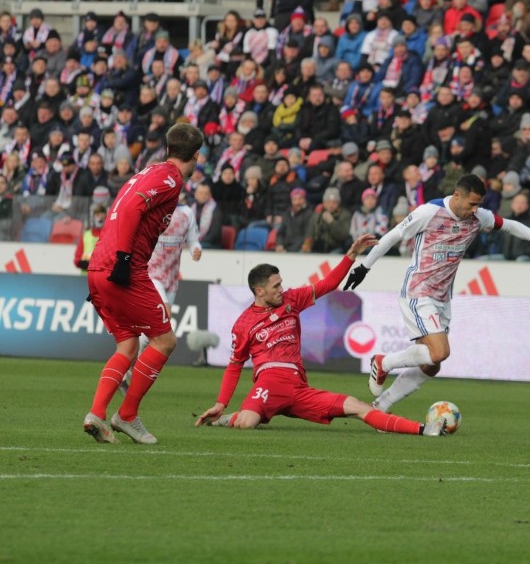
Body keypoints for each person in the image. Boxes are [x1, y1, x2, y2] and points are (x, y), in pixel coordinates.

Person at [342, 174, 530, 412]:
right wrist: (364, 267)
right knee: (440, 352)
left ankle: (380, 406)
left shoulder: (479, 217)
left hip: (442, 298)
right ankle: (383, 362)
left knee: (431, 365)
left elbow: (509, 225)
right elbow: (392, 236)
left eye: (479, 204)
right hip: (419, 291)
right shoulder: (428, 212)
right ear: (457, 195)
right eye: (471, 204)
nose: (475, 209)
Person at [193, 235, 447, 437]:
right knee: (247, 423)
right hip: (268, 384)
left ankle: (424, 430)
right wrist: (221, 403)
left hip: (298, 387)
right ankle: (230, 418)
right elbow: (235, 365)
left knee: (359, 407)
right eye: (275, 286)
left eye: (281, 283)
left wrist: (351, 255)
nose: (282, 289)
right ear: (259, 291)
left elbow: (327, 284)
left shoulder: (291, 299)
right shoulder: (244, 323)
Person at [83, 123, 204, 445]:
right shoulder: (170, 179)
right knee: (164, 341)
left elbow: (121, 207)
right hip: (123, 268)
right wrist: (122, 259)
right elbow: (132, 209)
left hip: (99, 266)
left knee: (128, 344)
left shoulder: (149, 172)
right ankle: (127, 415)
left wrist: (108, 261)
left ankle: (96, 413)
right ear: (195, 156)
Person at [119, 192, 204, 395]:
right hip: (150, 274)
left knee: (156, 328)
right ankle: (130, 369)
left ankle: (128, 371)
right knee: (164, 317)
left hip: (171, 279)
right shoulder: (154, 211)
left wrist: (196, 249)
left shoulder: (186, 214)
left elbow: (193, 239)